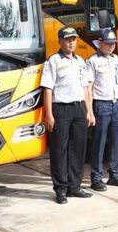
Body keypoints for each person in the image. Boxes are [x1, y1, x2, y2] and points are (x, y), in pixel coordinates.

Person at [41, 26, 96, 204]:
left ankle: (75, 186)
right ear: (60, 41)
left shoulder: (81, 61)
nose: (71, 42)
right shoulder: (53, 61)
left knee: (78, 149)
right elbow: (48, 89)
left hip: (79, 108)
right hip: (61, 109)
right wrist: (49, 115)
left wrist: (89, 111)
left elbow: (86, 87)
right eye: (67, 39)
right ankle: (61, 189)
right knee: (59, 150)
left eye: (73, 39)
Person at [87, 28, 118, 191]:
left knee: (116, 141)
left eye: (113, 44)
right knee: (99, 142)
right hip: (101, 104)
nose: (111, 46)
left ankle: (115, 174)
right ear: (100, 43)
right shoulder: (92, 61)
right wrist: (89, 110)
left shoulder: (115, 60)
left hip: (116, 103)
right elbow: (89, 86)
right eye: (108, 43)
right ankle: (96, 177)